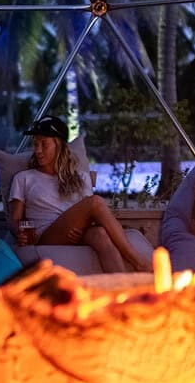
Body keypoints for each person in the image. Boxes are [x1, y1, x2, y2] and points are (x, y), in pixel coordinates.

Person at [9, 115, 152, 273]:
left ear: (59, 146)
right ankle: (138, 262)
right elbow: (14, 220)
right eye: (35, 144)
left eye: (44, 144)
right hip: (46, 235)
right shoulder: (23, 178)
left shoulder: (81, 177)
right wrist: (19, 233)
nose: (38, 150)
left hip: (78, 231)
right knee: (95, 202)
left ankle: (123, 287)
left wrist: (82, 230)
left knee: (100, 234)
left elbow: (92, 217)